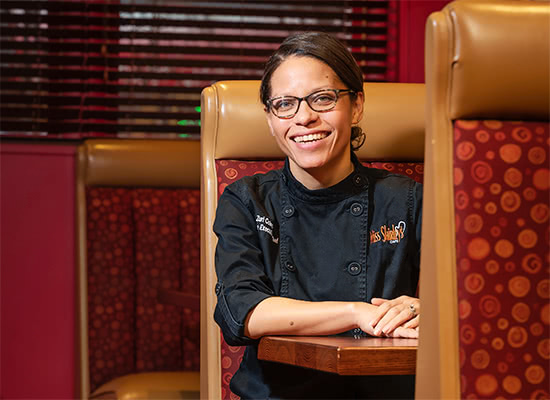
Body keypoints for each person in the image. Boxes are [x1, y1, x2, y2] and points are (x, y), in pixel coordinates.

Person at [213, 31, 422, 399]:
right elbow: (246, 312)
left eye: (322, 98)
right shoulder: (247, 200)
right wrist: (357, 313)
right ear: (269, 117)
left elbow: (465, 296)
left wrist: (426, 310)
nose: (304, 117)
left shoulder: (406, 199)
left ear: (356, 105)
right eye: (285, 104)